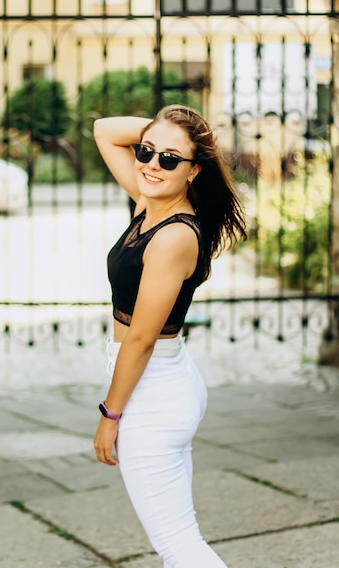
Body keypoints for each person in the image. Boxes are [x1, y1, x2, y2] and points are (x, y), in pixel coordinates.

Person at [93, 104, 247, 567]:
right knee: (180, 538)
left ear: (194, 171)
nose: (151, 165)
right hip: (165, 385)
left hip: (153, 397)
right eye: (146, 152)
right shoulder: (151, 205)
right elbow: (103, 130)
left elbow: (140, 340)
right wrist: (167, 135)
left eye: (170, 160)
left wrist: (110, 414)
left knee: (179, 546)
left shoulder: (173, 237)